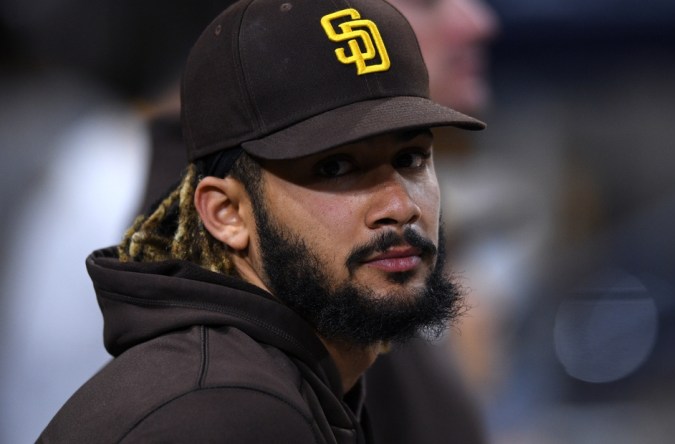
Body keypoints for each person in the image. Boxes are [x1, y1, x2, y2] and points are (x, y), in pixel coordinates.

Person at [37, 0, 484, 441]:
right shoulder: (225, 412)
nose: (399, 206)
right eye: (335, 167)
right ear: (226, 213)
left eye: (410, 159)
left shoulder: (268, 377)